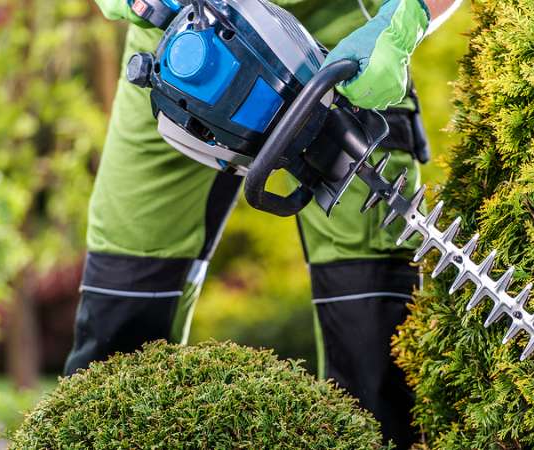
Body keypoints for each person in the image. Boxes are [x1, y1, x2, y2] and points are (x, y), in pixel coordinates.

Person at [64, 0, 460, 447]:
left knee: (375, 335)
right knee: (120, 305)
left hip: (345, 38)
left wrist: (405, 18)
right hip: (182, 41)